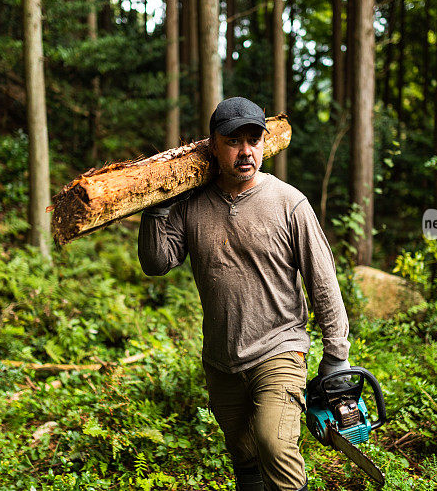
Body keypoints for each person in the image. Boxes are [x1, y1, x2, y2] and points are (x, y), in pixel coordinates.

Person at [138, 97, 351, 491]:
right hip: (222, 359)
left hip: (279, 348)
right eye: (234, 141)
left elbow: (323, 281)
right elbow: (157, 262)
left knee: (274, 443)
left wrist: (336, 356)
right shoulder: (193, 204)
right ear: (212, 146)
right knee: (244, 455)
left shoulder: (289, 203)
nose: (245, 151)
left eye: (254, 140)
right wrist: (155, 210)